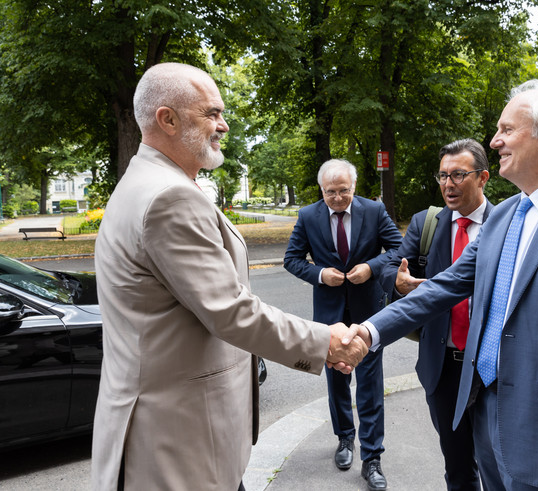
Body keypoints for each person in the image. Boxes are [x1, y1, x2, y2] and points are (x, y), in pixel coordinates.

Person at [347, 80, 538, 490]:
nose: (496, 139)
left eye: (507, 129)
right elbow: (443, 286)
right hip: (487, 425)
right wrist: (369, 331)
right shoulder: (504, 216)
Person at [92, 62, 367, 491]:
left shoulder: (152, 180)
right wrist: (323, 342)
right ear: (167, 119)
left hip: (176, 438)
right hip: (176, 446)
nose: (223, 125)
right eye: (211, 113)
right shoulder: (169, 197)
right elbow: (229, 310)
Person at [379, 138, 493, 490]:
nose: (448, 184)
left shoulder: (506, 222)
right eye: (442, 176)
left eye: (458, 175)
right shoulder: (426, 223)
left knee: (497, 464)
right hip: (443, 367)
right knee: (458, 467)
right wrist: (400, 285)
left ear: (483, 177)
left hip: (492, 367)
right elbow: (389, 267)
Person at [284, 159, 403, 491]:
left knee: (369, 382)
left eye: (344, 191)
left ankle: (373, 457)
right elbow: (291, 259)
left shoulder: (374, 211)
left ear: (354, 186)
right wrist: (321, 274)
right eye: (330, 192)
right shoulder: (308, 216)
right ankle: (345, 439)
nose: (337, 199)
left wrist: (372, 267)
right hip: (329, 314)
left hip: (368, 312)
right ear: (322, 190)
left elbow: (398, 247)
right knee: (337, 382)